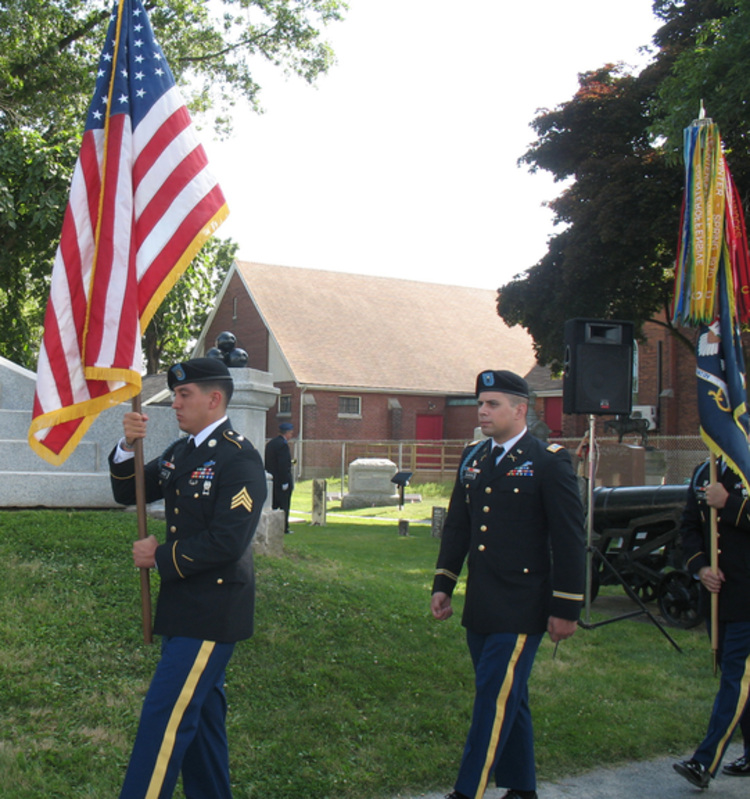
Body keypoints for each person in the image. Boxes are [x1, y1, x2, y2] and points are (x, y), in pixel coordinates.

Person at [109, 357, 267, 799]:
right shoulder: (182, 452)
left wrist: (158, 557)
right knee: (202, 729)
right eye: (175, 395)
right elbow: (128, 490)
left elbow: (228, 541)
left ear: (214, 399)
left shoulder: (239, 458)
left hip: (211, 614)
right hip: (183, 610)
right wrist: (127, 445)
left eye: (184, 395)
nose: (175, 403)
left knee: (163, 720)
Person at [431, 369, 586, 799]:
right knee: (508, 696)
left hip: (522, 604)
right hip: (481, 602)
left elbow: (569, 539)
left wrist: (567, 607)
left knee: (492, 697)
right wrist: (444, 582)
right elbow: (458, 526)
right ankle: (522, 788)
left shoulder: (548, 460)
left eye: (492, 404)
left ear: (520, 410)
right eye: (480, 403)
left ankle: (468, 791)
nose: (482, 411)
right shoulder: (473, 457)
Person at [672, 456, 750, 789]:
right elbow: (690, 526)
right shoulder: (706, 471)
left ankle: (704, 762)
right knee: (740, 680)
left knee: (735, 677)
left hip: (748, 596)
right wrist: (701, 568)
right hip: (719, 597)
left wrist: (729, 503)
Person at [264, 422, 295, 534]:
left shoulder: (271, 444)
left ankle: (272, 527)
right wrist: (285, 481)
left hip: (272, 479)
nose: (291, 435)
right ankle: (283, 527)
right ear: (287, 433)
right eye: (290, 433)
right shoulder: (282, 445)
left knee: (273, 504)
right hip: (281, 480)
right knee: (284, 505)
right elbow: (283, 465)